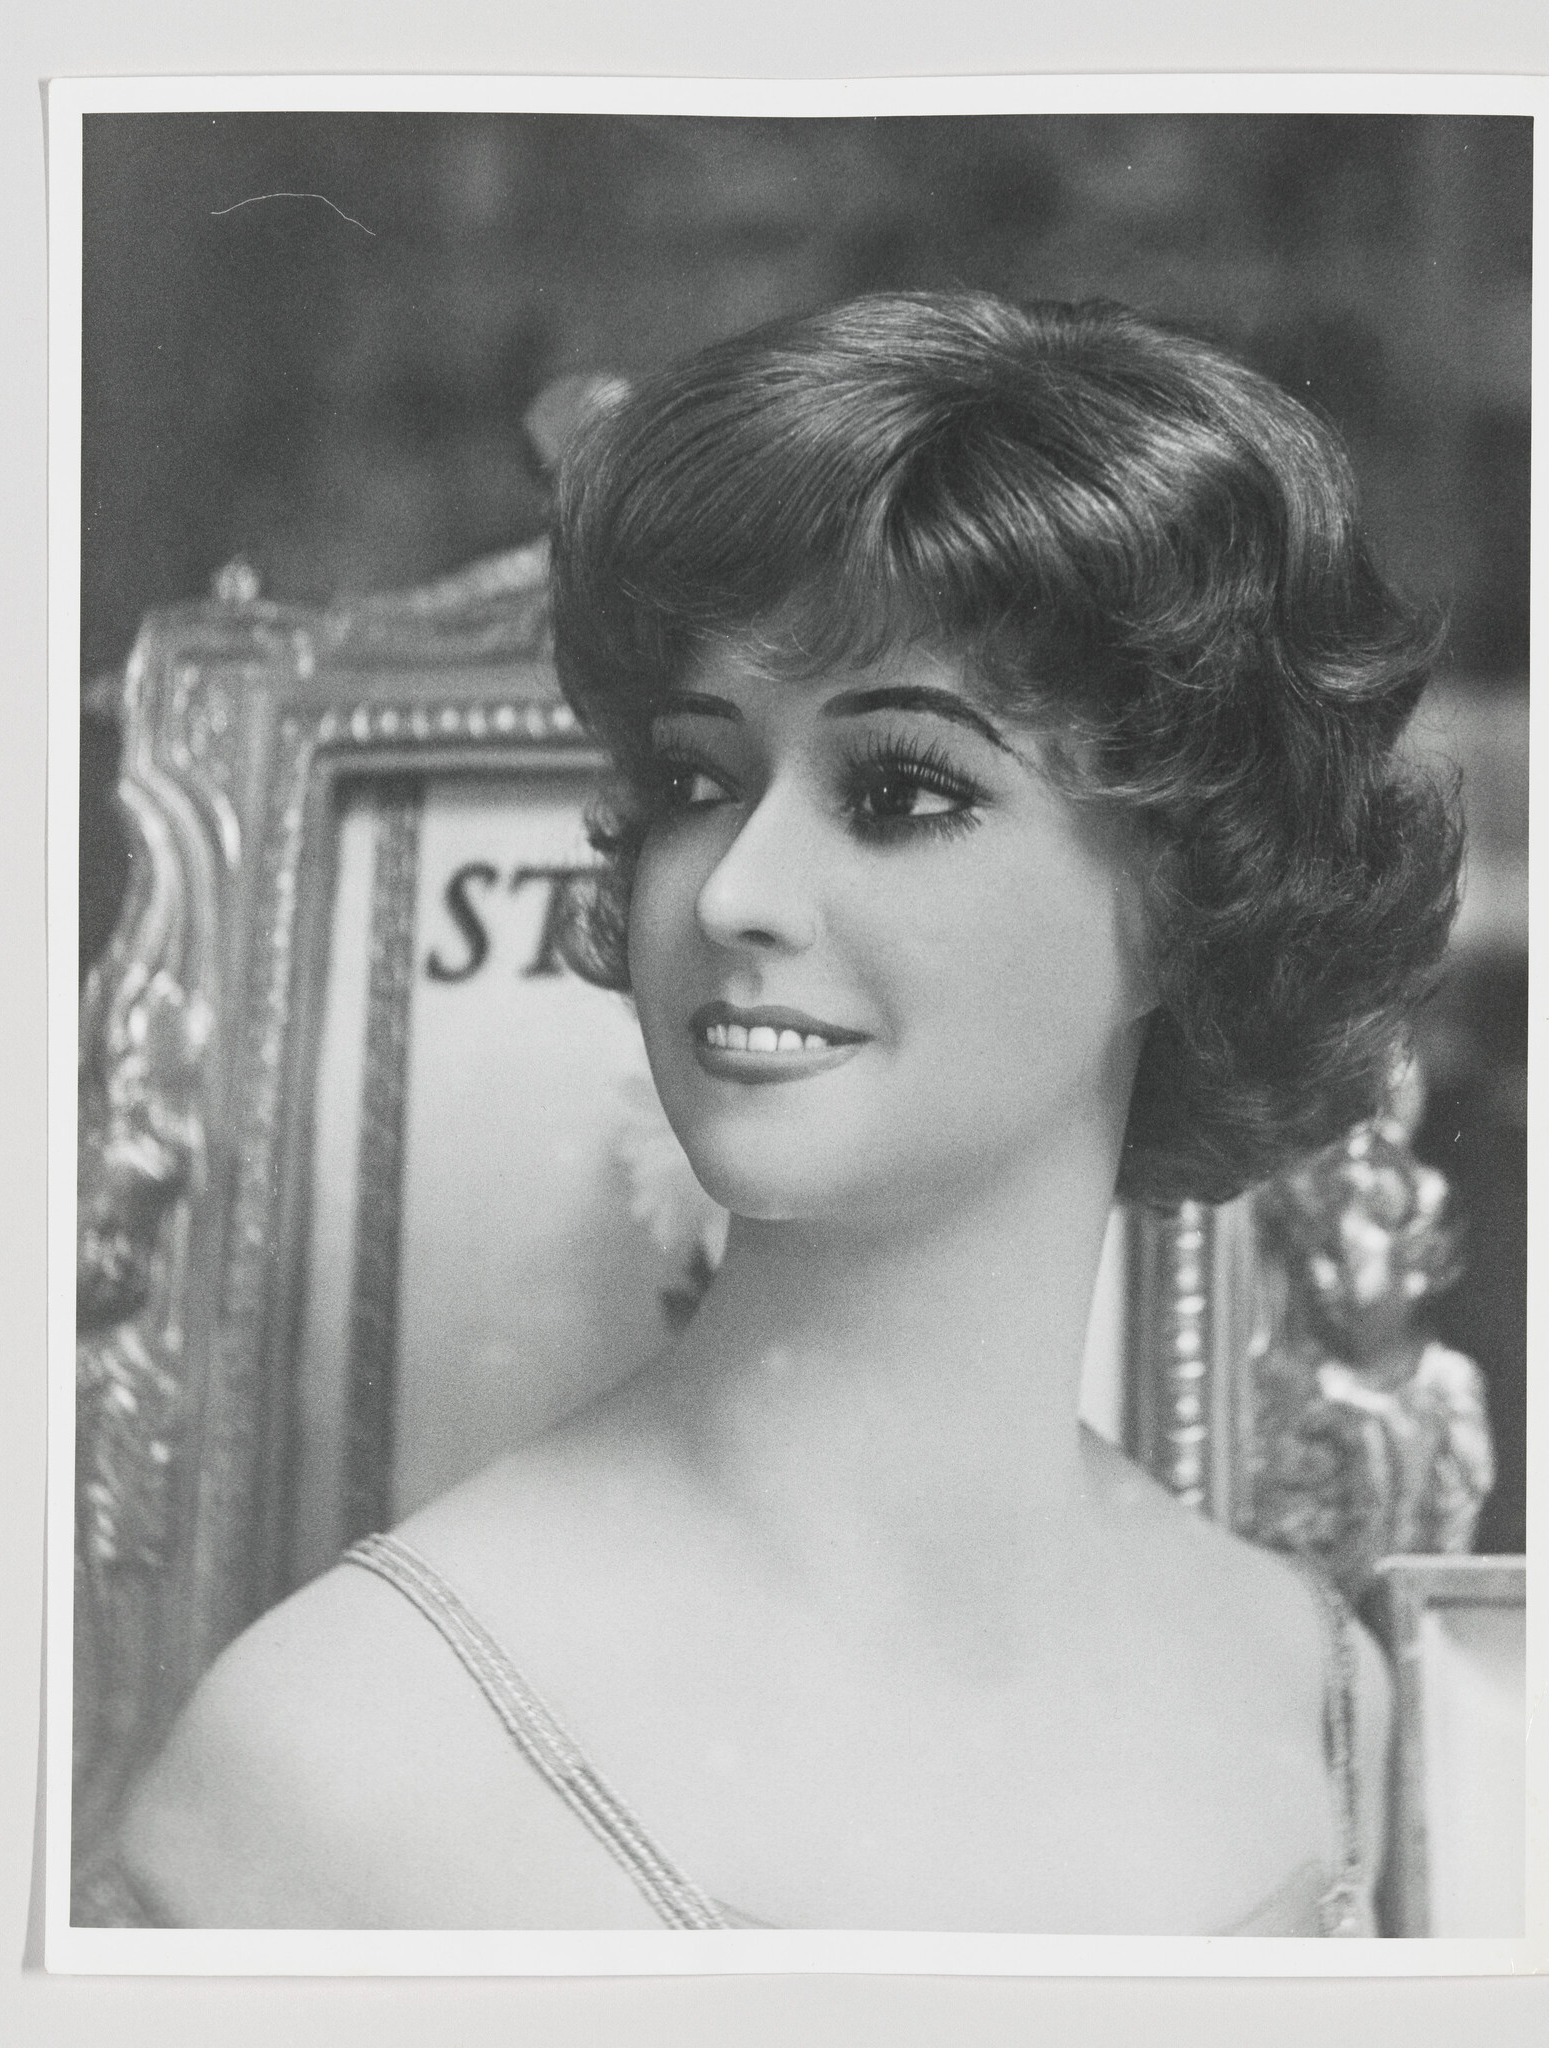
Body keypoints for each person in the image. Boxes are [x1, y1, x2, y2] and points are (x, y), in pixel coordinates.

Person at [119, 292, 1462, 1935]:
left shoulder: (1326, 1709)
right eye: (696, 782)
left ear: (1192, 894)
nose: (731, 891)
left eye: (900, 792)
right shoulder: (336, 1760)